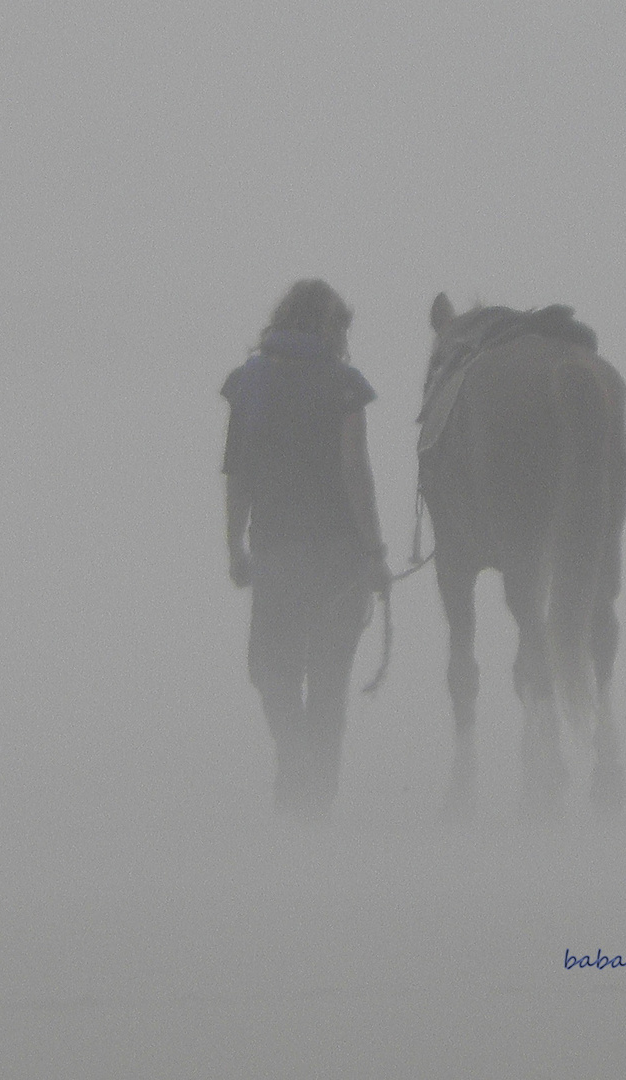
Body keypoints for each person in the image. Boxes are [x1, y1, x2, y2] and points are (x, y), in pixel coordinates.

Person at [221, 279, 391, 819]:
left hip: (277, 553)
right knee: (329, 677)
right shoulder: (343, 386)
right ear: (330, 327)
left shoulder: (249, 383)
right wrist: (375, 552)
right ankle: (318, 793)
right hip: (340, 555)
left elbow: (239, 474)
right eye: (341, 327)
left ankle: (293, 761)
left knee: (271, 671)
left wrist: (234, 548)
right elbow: (355, 468)